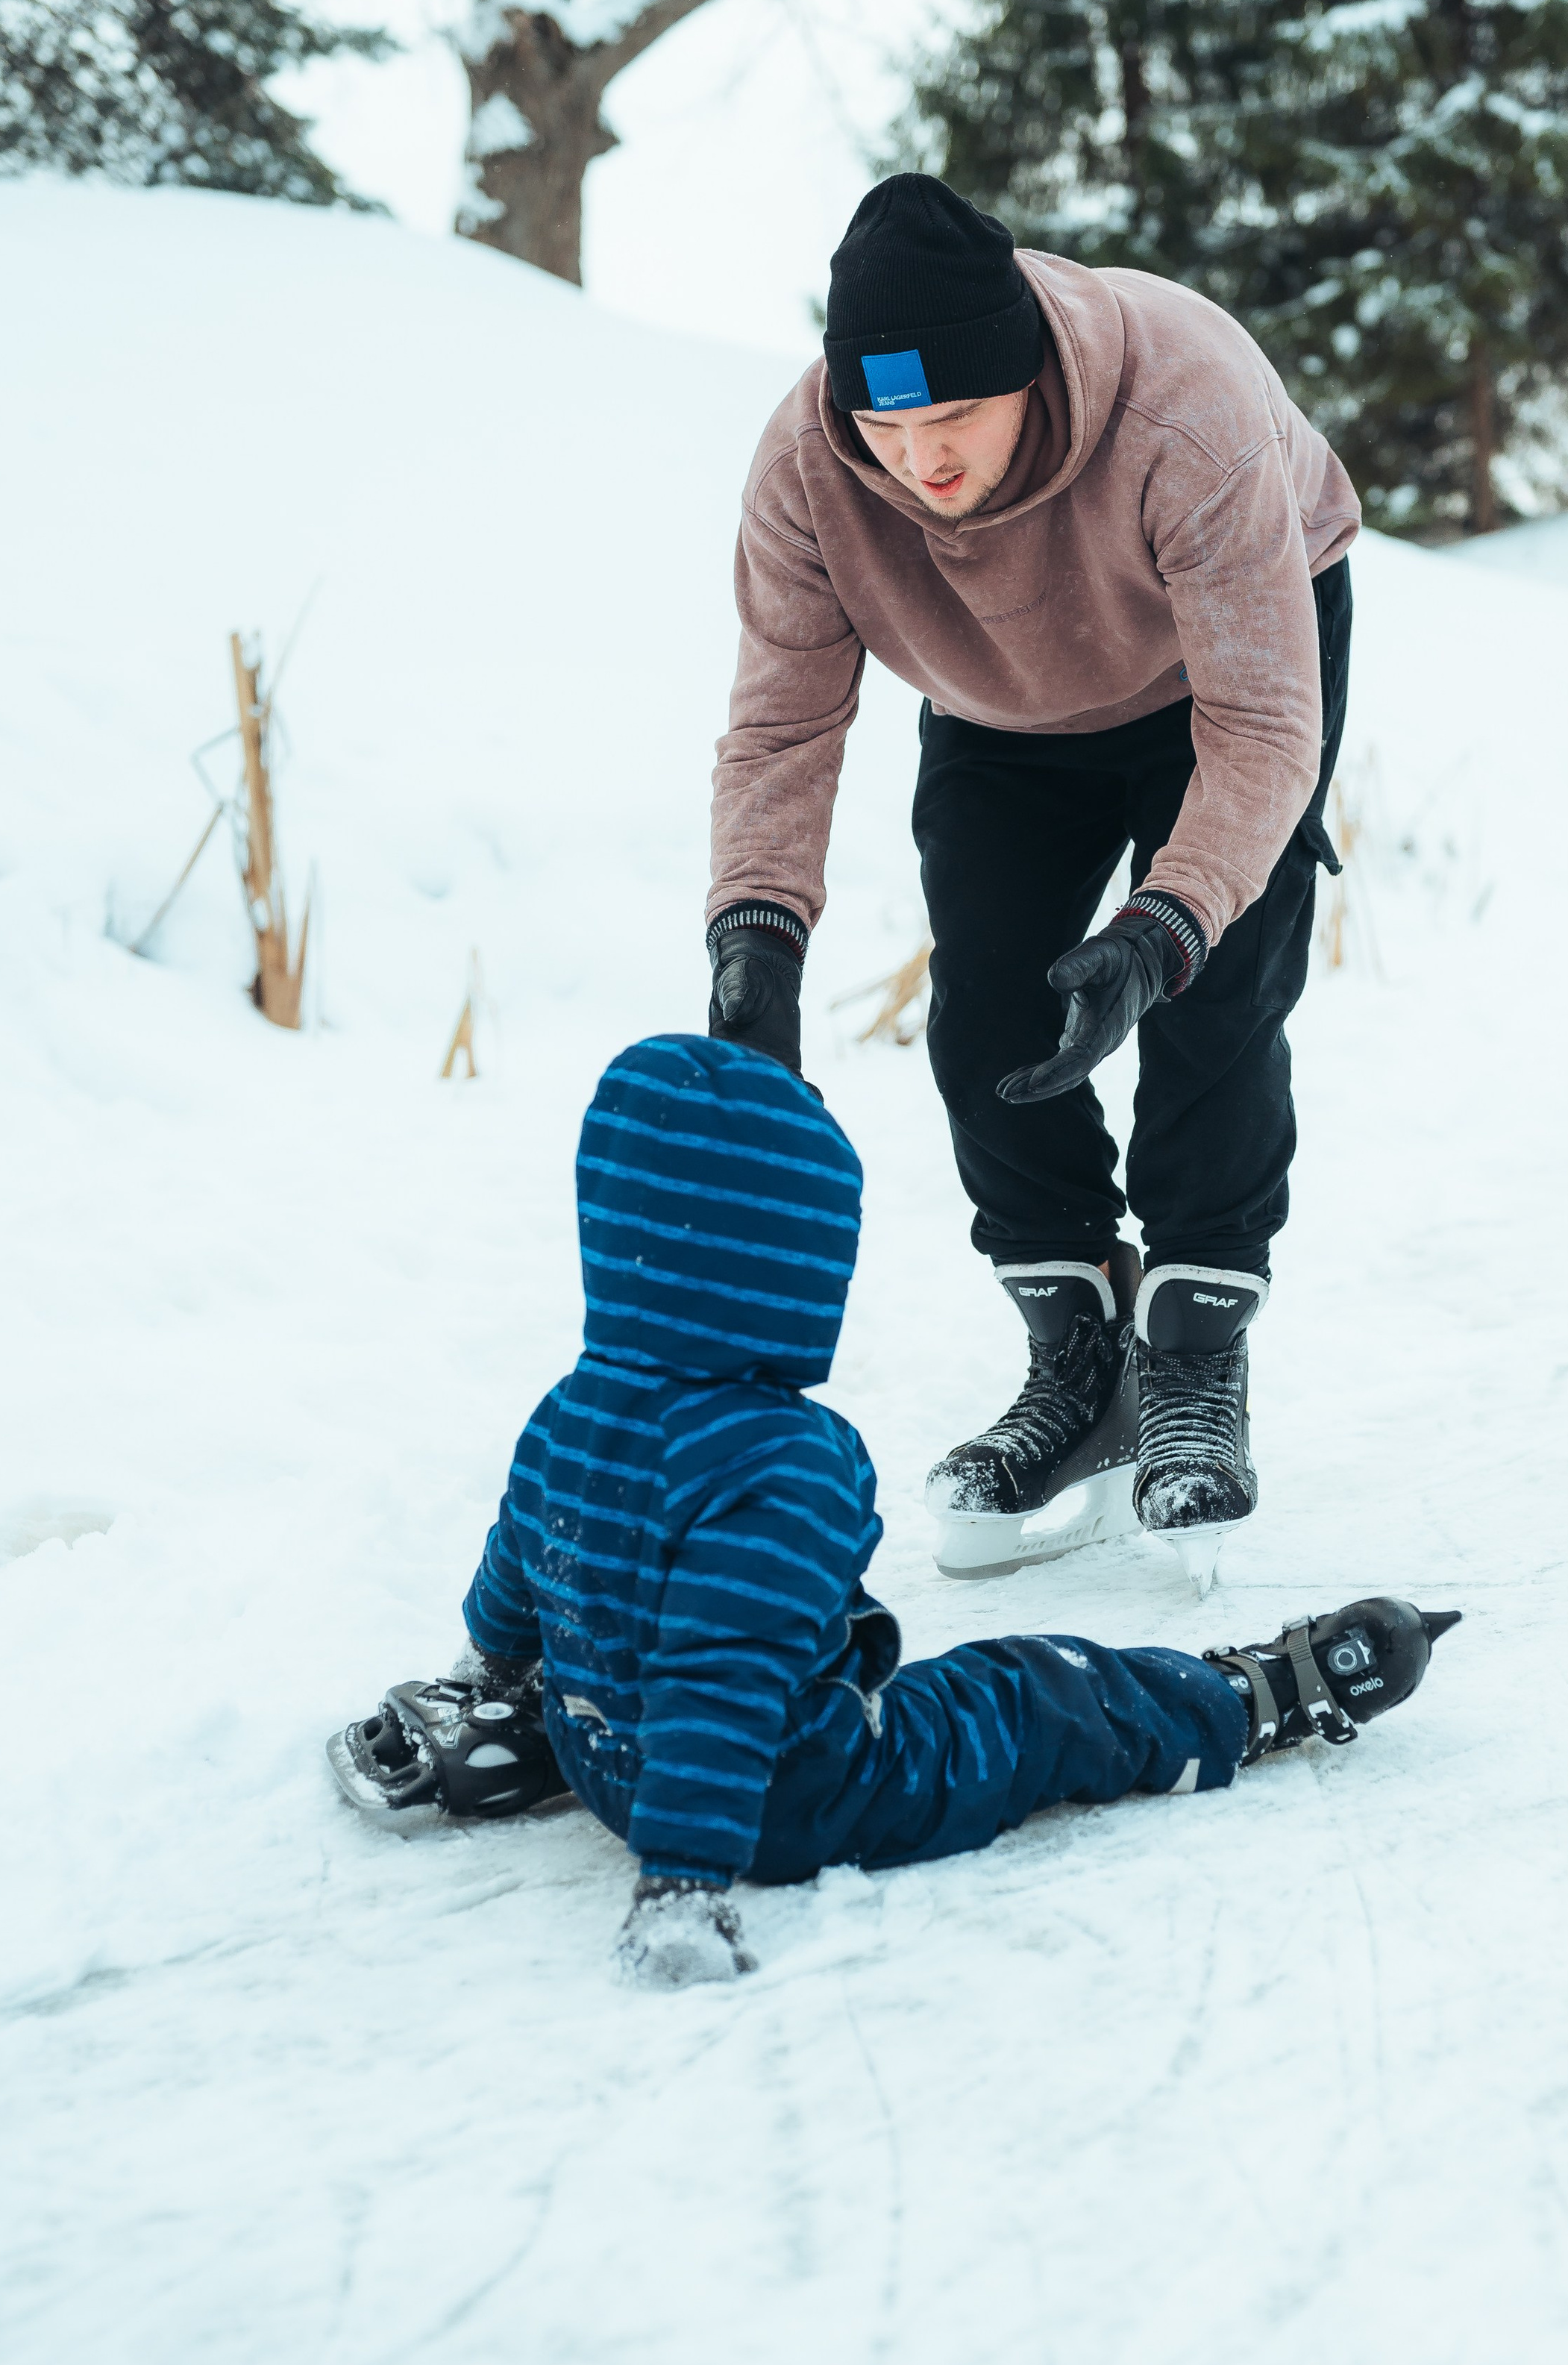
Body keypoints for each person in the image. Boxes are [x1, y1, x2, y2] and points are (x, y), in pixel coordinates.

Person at [327, 1036, 1457, 1986]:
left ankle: (521, 1737)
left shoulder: (570, 1411)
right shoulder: (787, 1463)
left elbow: (521, 1572)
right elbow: (722, 1672)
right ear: (793, 1259)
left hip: (599, 1745)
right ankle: (1236, 1700)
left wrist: (489, 1673)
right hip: (785, 1796)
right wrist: (679, 1885)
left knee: (635, 1614)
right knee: (1027, 1695)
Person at [703, 175, 1358, 1577]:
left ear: (1028, 380)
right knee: (990, 1012)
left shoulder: (1188, 402)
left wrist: (1168, 922)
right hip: (1001, 705)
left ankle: (1190, 1359)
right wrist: (754, 934)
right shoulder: (811, 470)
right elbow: (782, 721)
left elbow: (1259, 728)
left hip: (1223, 678)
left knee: (1215, 998)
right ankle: (1079, 1356)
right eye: (886, 423)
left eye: (952, 422)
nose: (918, 462)